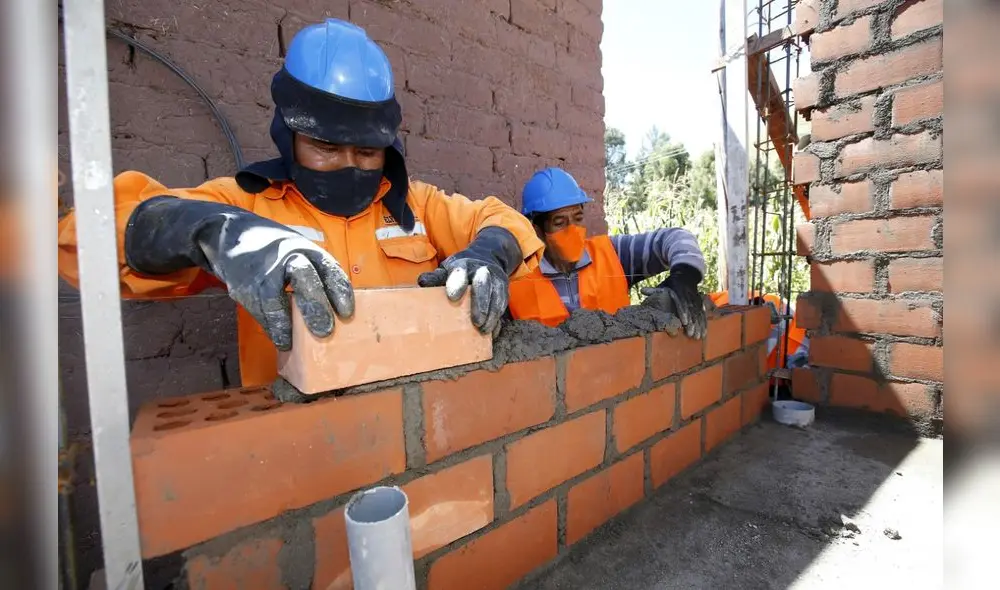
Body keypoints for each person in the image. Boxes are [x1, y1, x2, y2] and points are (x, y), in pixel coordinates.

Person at [56, 19, 544, 401]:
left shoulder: (417, 206)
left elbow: (503, 222)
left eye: (367, 152)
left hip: (412, 425)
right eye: (326, 148)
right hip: (301, 442)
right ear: (288, 137)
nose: (349, 164)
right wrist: (209, 233)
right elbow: (85, 239)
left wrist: (490, 254)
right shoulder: (243, 204)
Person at [507, 167, 709, 339]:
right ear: (537, 230)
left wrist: (685, 277)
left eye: (578, 218)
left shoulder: (614, 253)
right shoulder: (515, 279)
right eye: (560, 223)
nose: (572, 229)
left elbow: (677, 237)